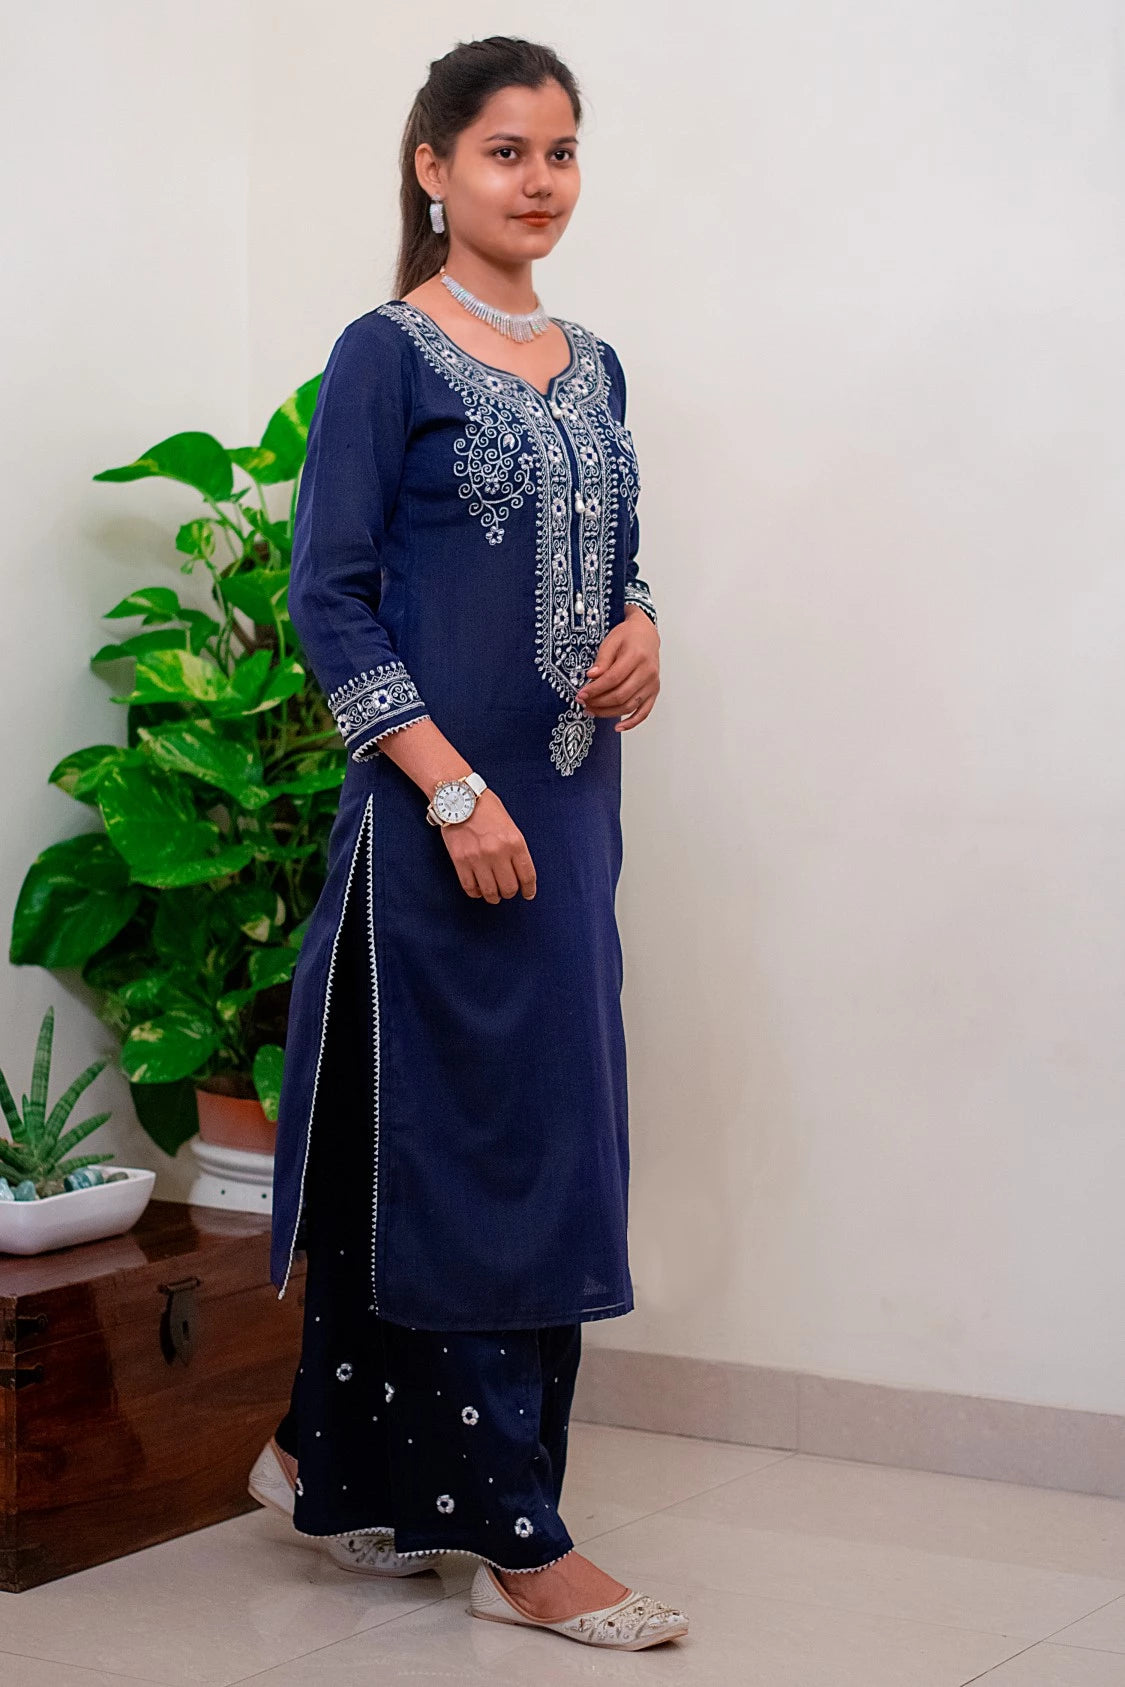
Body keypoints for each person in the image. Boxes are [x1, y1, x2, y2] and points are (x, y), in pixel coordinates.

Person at [249, 36, 689, 1652]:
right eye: (506, 151)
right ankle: (513, 1526)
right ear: (432, 169)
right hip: (439, 824)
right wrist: (444, 787)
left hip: (567, 815)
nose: (540, 181)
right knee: (457, 1148)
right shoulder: (386, 354)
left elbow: (617, 564)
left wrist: (643, 627)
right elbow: (328, 595)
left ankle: (325, 1458)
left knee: (547, 1131)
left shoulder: (597, 363)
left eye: (562, 152)